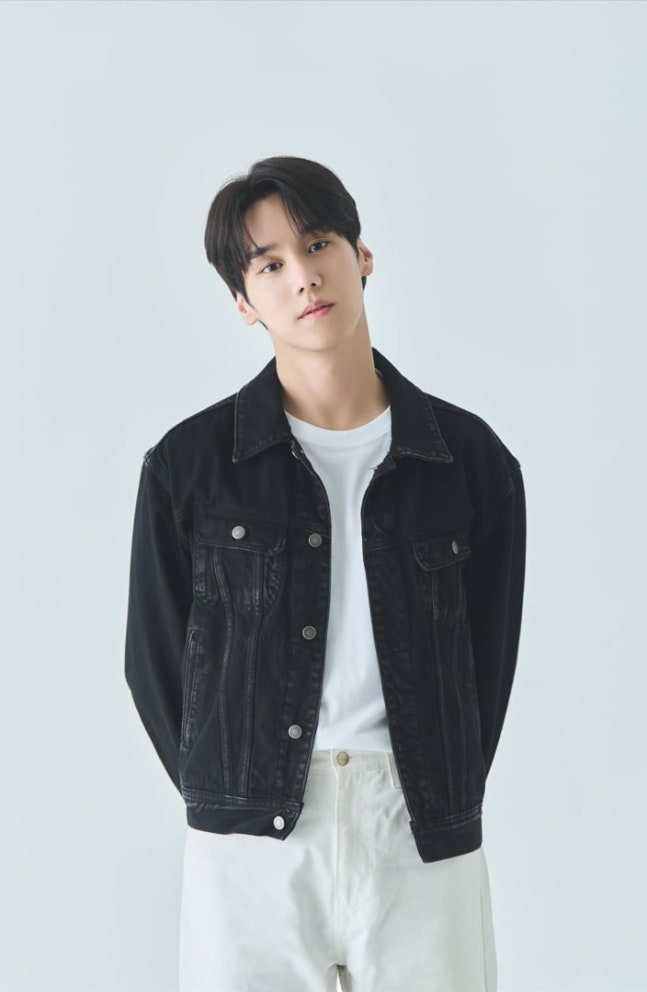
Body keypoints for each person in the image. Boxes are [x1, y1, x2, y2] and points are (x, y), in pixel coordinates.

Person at [124, 156, 526, 992]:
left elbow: (485, 658)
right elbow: (154, 661)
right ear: (243, 302)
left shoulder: (468, 460)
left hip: (417, 826)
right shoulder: (190, 467)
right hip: (250, 850)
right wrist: (225, 789)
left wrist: (439, 782)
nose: (302, 277)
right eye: (269, 265)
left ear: (361, 254)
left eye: (317, 245)